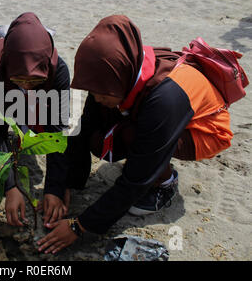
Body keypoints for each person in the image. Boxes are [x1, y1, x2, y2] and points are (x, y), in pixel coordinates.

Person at [37, 15, 233, 254]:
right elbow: (83, 129)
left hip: (204, 129)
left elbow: (134, 182)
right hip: (155, 114)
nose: (96, 97)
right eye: (93, 91)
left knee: (138, 144)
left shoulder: (164, 99)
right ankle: (146, 157)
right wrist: (63, 185)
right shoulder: (111, 78)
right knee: (99, 136)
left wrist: (79, 227)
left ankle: (165, 182)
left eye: (101, 93)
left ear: (121, 74)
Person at [0, 12, 70, 227]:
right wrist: (9, 186)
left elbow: (57, 132)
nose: (26, 85)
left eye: (34, 80)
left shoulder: (58, 71)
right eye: (20, 79)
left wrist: (54, 189)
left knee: (36, 119)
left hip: (32, 95)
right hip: (0, 88)